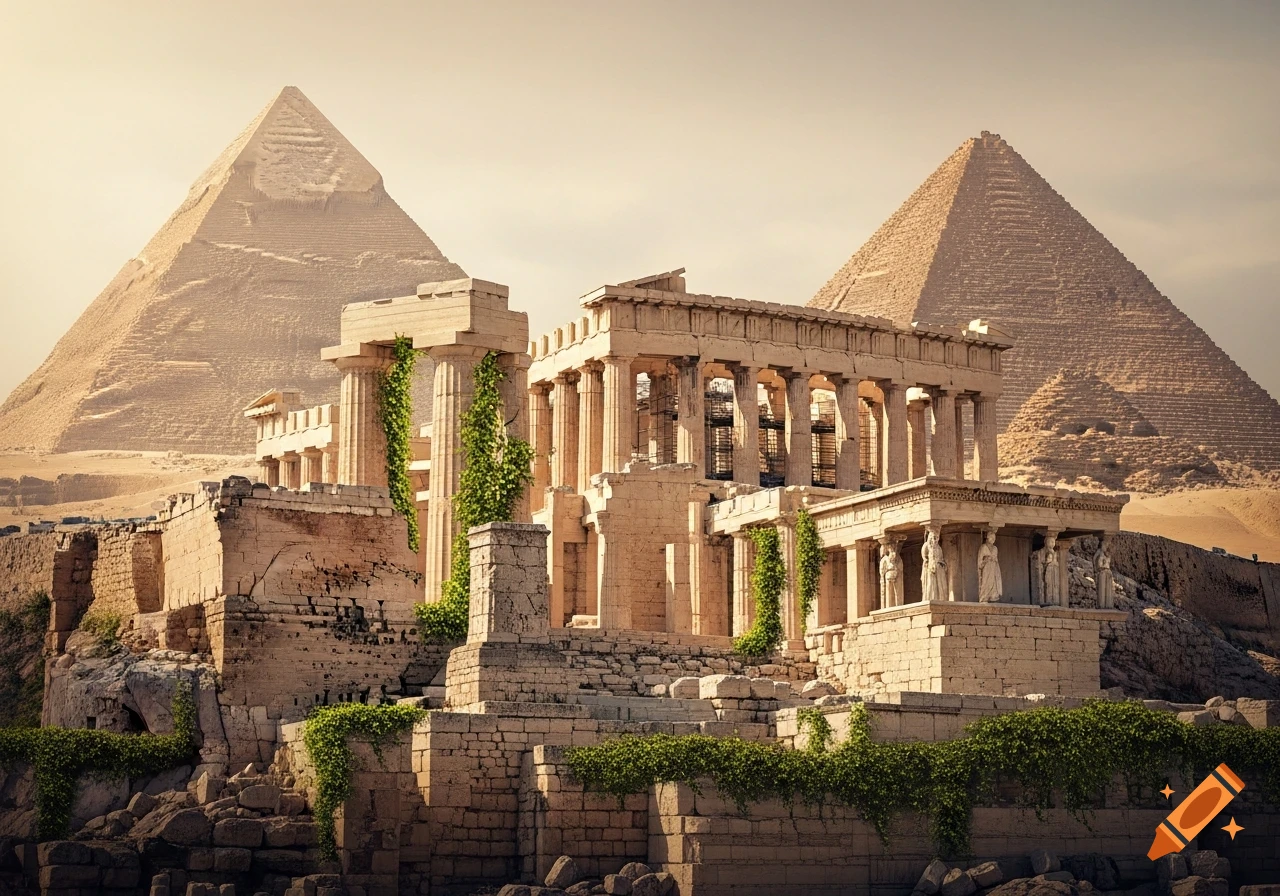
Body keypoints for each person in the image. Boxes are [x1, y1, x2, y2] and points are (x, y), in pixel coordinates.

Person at [978, 529, 1002, 603]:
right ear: (988, 538)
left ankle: (992, 596)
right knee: (985, 582)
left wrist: (994, 561)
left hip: (994, 567)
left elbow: (996, 559)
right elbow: (980, 560)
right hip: (986, 567)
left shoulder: (995, 548)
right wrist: (986, 560)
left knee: (993, 582)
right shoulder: (983, 547)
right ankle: (984, 597)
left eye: (994, 538)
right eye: (991, 538)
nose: (993, 540)